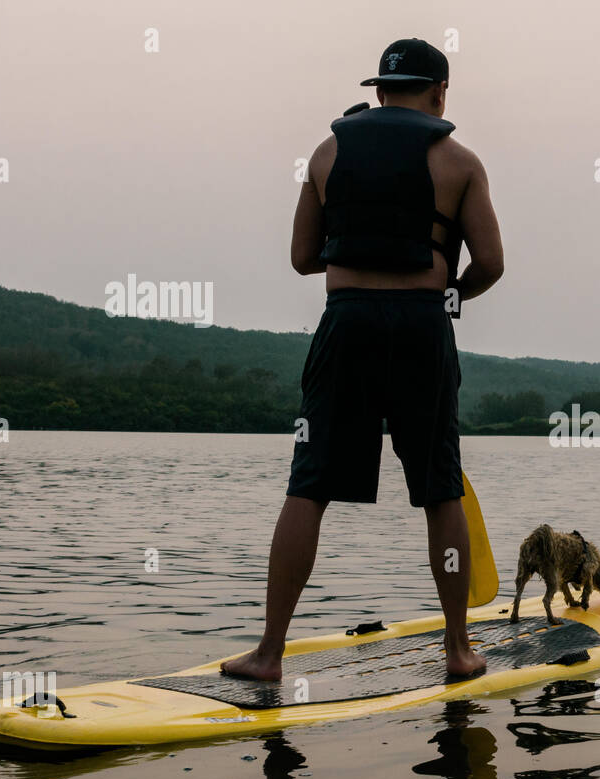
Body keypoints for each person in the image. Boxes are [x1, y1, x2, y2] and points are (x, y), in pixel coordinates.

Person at [222, 37, 504, 682]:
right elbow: (490, 262)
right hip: (422, 328)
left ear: (378, 90)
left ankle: (268, 655)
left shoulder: (326, 153)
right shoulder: (461, 161)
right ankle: (459, 652)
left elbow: (301, 256)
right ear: (439, 94)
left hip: (346, 323)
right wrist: (449, 292)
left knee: (310, 484)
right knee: (440, 486)